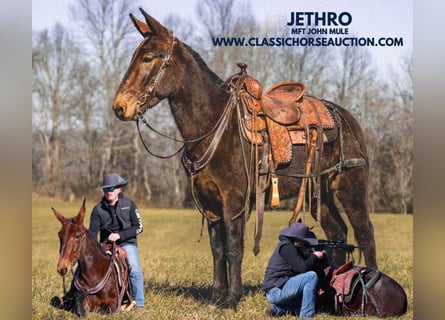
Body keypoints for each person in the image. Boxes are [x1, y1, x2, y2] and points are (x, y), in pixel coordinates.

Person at [88, 173, 145, 310]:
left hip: (127, 243)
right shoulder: (97, 210)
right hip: (104, 245)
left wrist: (119, 235)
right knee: (84, 266)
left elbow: (139, 227)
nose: (108, 192)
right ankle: (71, 297)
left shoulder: (129, 205)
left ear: (119, 189)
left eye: (111, 189)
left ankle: (139, 303)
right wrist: (93, 249)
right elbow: (93, 233)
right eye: (105, 189)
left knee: (134, 267)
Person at [263, 222, 329, 319]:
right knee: (311, 276)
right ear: (297, 240)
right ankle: (307, 316)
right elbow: (303, 268)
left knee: (311, 301)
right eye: (305, 241)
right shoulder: (286, 248)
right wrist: (315, 256)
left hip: (281, 287)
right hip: (275, 290)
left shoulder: (293, 246)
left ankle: (277, 310)